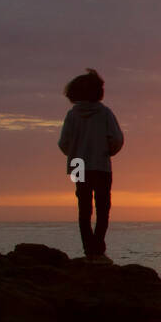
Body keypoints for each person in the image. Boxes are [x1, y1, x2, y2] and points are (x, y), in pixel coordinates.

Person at [57, 69, 124, 261]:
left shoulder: (72, 115)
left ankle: (88, 248)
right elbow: (116, 139)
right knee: (103, 208)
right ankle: (98, 246)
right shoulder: (104, 113)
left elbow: (64, 143)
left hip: (78, 165)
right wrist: (108, 151)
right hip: (101, 164)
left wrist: (73, 154)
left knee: (84, 208)